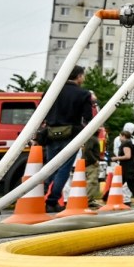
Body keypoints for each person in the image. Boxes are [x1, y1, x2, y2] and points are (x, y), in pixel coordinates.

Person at [43, 65, 94, 213]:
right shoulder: (83, 94)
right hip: (71, 134)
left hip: (51, 133)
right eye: (82, 76)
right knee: (64, 168)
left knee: (49, 167)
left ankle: (38, 193)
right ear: (78, 77)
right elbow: (88, 117)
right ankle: (52, 201)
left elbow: (42, 110)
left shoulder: (52, 90)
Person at [110, 125, 134, 207]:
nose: (119, 137)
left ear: (123, 136)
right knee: (118, 182)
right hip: (126, 167)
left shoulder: (126, 144)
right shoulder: (129, 142)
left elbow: (128, 156)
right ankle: (108, 198)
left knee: (131, 183)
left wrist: (116, 158)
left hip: (128, 167)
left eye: (120, 136)